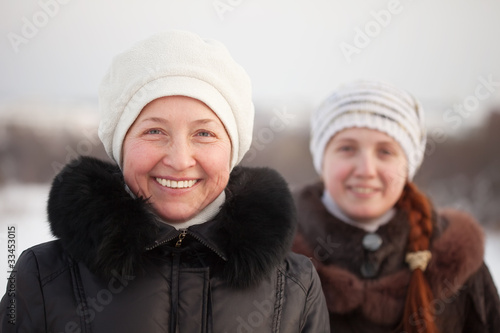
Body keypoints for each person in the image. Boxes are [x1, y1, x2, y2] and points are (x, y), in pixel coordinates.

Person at [0, 30, 329, 332]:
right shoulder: (42, 277)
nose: (179, 159)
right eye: (154, 131)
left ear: (233, 150)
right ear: (120, 144)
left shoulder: (295, 286)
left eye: (204, 133)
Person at [291, 80, 500, 333]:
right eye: (347, 148)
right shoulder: (274, 251)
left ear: (409, 164)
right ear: (322, 159)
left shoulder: (460, 262)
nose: (366, 170)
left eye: (385, 152)